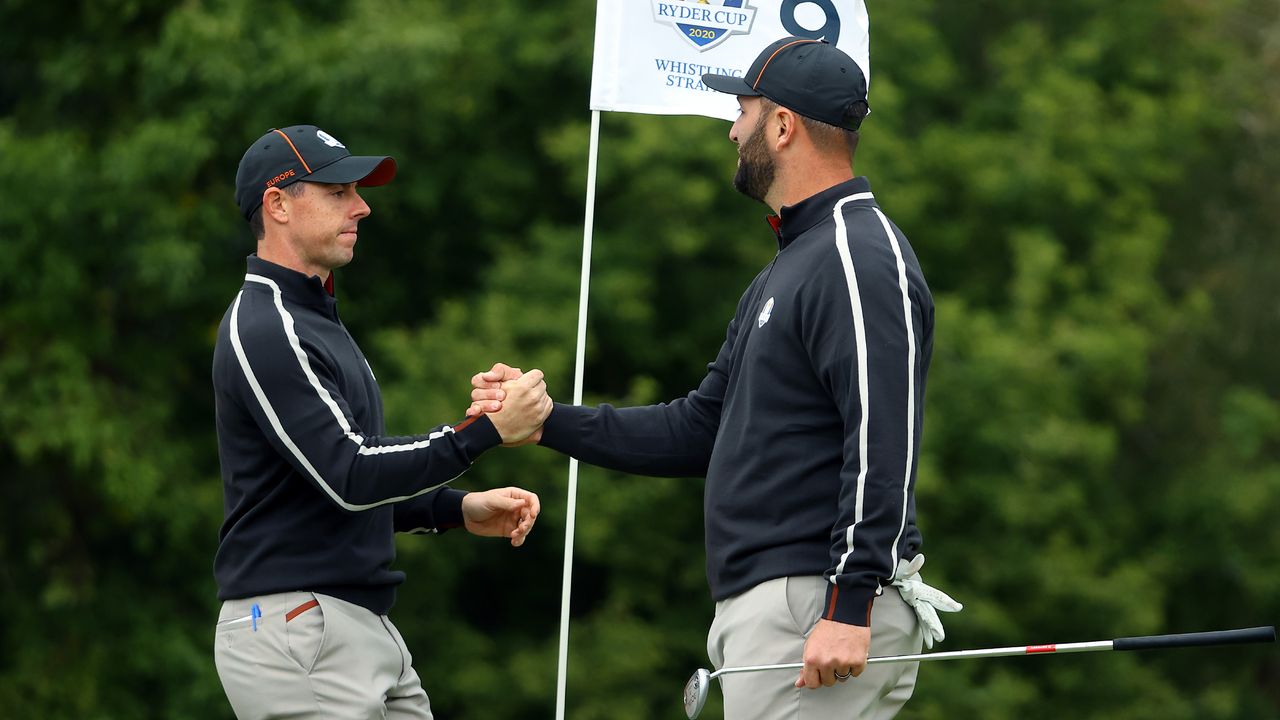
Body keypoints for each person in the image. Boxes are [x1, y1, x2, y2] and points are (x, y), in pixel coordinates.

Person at [470, 39, 960, 719]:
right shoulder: (790, 264)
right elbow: (701, 428)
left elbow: (883, 438)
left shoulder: (857, 255)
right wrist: (548, 420)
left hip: (816, 600)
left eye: (743, 110)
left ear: (783, 126)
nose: (733, 130)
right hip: (785, 604)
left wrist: (850, 601)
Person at [212, 124, 552, 719]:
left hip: (345, 626)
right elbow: (349, 474)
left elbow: (325, 486)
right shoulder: (267, 326)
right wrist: (484, 434)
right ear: (278, 204)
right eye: (339, 191)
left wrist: (452, 510)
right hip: (297, 624)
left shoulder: (311, 319)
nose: (362, 206)